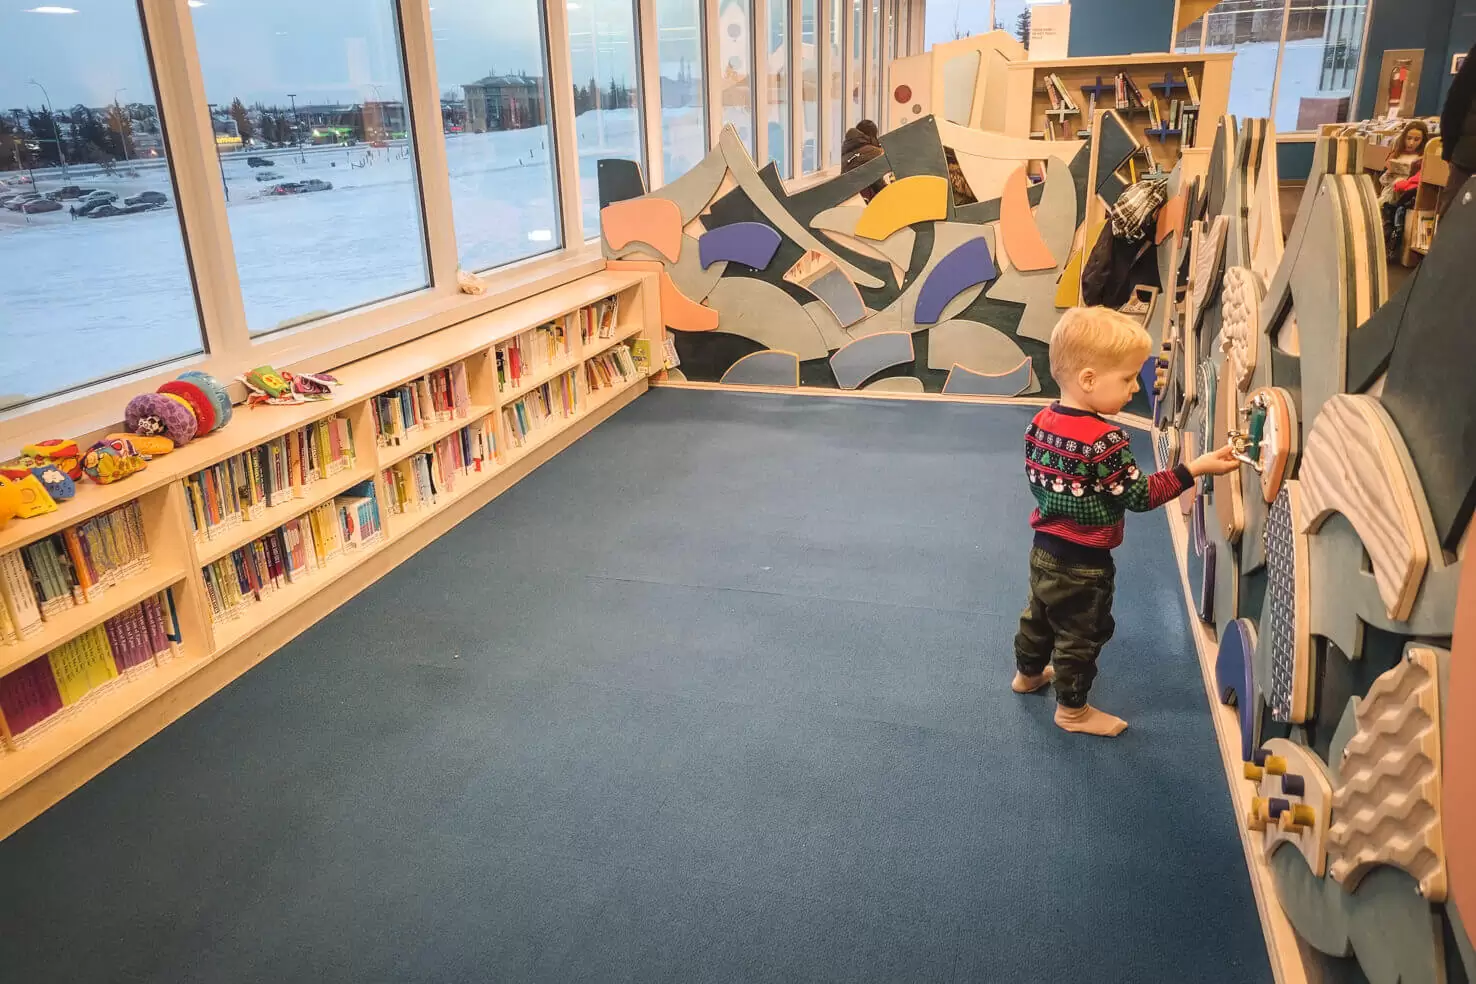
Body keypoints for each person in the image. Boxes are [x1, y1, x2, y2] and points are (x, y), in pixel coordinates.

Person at [1013, 307, 1239, 737]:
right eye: (1128, 379)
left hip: (1044, 548)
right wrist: (1193, 469)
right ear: (1089, 379)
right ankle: (1072, 711)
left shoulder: (1040, 421)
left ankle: (1026, 674)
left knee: (1039, 614)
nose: (1136, 388)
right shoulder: (1106, 440)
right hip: (1085, 562)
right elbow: (1139, 496)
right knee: (1082, 633)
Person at [1439, 41, 1476, 216]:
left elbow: (1451, 109)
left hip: (1463, 158)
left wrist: (1448, 151)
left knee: (1451, 218)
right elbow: (1453, 110)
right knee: (1452, 218)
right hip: (1465, 160)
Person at [1378, 121, 1427, 252]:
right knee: (1382, 206)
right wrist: (1389, 173)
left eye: (1416, 139)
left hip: (1407, 194)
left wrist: (1406, 182)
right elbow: (1382, 180)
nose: (1411, 143)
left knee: (1394, 212)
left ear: (1423, 141)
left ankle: (1390, 241)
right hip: (1390, 191)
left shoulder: (1423, 158)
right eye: (1408, 138)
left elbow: (1420, 180)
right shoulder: (1396, 154)